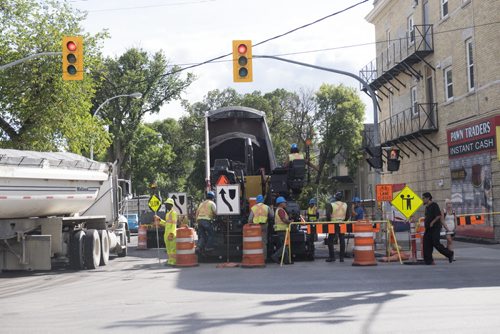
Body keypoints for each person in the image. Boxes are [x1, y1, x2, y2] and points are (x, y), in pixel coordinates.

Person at [422, 192, 454, 265]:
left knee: (436, 243)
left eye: (423, 198)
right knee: (426, 244)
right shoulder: (427, 207)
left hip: (435, 228)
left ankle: (449, 254)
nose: (422, 200)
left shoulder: (434, 205)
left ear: (428, 198)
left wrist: (432, 222)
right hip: (428, 229)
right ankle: (429, 260)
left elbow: (438, 216)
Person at [248, 194, 274, 260]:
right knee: (263, 242)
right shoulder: (266, 207)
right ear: (262, 200)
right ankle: (263, 258)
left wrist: (249, 225)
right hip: (264, 226)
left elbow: (250, 219)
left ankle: (256, 257)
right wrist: (272, 208)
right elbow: (272, 216)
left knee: (255, 241)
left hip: (255, 227)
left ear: (257, 200)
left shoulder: (254, 207)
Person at [154, 198, 178, 266]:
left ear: (171, 205)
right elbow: (167, 223)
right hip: (166, 233)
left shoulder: (173, 213)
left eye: (167, 204)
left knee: (172, 249)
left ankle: (173, 261)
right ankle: (170, 261)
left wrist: (172, 233)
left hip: (171, 233)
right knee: (168, 249)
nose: (166, 206)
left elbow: (174, 224)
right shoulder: (168, 214)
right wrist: (159, 220)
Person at [325, 191, 348, 262]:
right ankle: (341, 258)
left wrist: (329, 221)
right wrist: (343, 220)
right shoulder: (345, 205)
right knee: (342, 240)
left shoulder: (331, 204)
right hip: (342, 223)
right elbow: (348, 215)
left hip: (333, 223)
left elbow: (328, 215)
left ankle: (332, 257)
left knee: (330, 240)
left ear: (335, 197)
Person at [271, 196, 293, 264]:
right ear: (280, 203)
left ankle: (286, 261)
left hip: (281, 230)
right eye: (284, 202)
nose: (285, 203)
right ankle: (275, 256)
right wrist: (290, 221)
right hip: (282, 230)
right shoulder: (280, 210)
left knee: (284, 245)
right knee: (285, 246)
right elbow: (283, 220)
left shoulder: (279, 210)